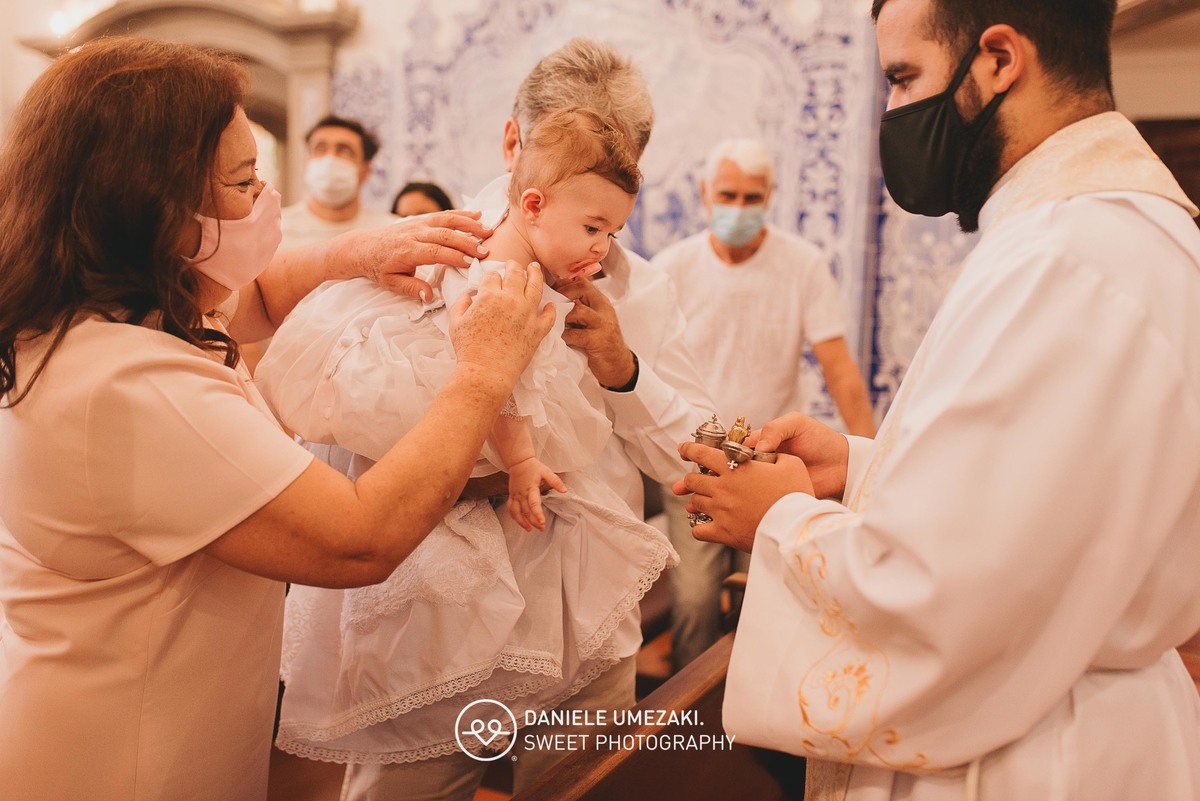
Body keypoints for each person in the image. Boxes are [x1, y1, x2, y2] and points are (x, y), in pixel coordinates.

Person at [0, 36, 553, 801]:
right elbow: (359, 537)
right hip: (121, 763)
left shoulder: (127, 303)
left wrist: (357, 252)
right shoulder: (125, 385)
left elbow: (253, 298)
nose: (267, 197)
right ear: (154, 206)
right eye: (243, 181)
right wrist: (485, 372)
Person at [677, 0, 1200, 798]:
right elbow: (1046, 504)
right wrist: (861, 467)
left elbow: (955, 594)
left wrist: (781, 517)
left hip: (1032, 749)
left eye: (902, 77)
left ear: (998, 60)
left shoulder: (1064, 259)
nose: (893, 111)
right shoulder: (1121, 232)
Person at [256, 107, 677, 799]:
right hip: (439, 511)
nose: (601, 248)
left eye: (612, 233)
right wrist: (520, 462)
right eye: (593, 229)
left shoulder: (536, 250)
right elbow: (496, 384)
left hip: (536, 548)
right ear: (529, 192)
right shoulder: (500, 268)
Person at [652, 137, 876, 670]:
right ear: (704, 194)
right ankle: (690, 714)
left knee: (768, 600)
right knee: (694, 602)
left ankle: (753, 709)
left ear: (770, 195)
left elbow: (840, 369)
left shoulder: (803, 265)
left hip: (770, 465)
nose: (738, 208)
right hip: (694, 463)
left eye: (751, 198)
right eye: (727, 195)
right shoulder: (671, 269)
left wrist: (872, 457)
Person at [282, 114, 397, 249]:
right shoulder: (275, 229)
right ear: (307, 163)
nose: (330, 159)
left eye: (344, 151)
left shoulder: (391, 232)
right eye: (320, 149)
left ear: (366, 170)